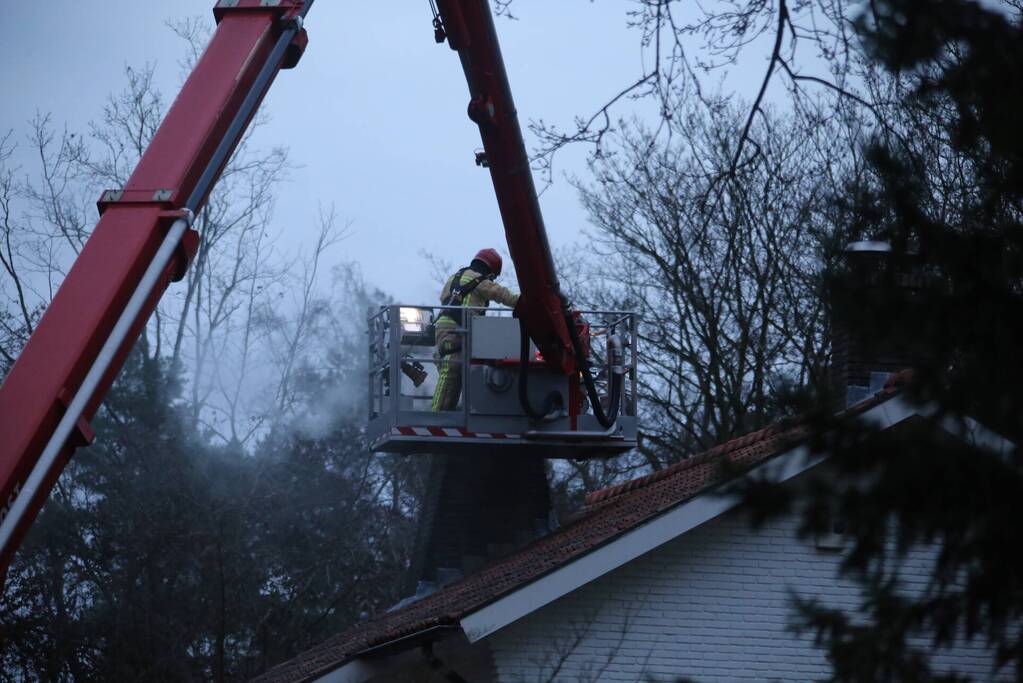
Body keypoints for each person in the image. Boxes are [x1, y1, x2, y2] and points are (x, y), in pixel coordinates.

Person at [431, 248, 519, 411]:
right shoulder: (480, 281)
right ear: (490, 270)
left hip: (443, 329)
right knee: (451, 370)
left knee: (453, 370)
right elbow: (500, 293)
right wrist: (521, 302)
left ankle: (447, 410)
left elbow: (445, 300)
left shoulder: (454, 278)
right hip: (456, 332)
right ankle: (437, 415)